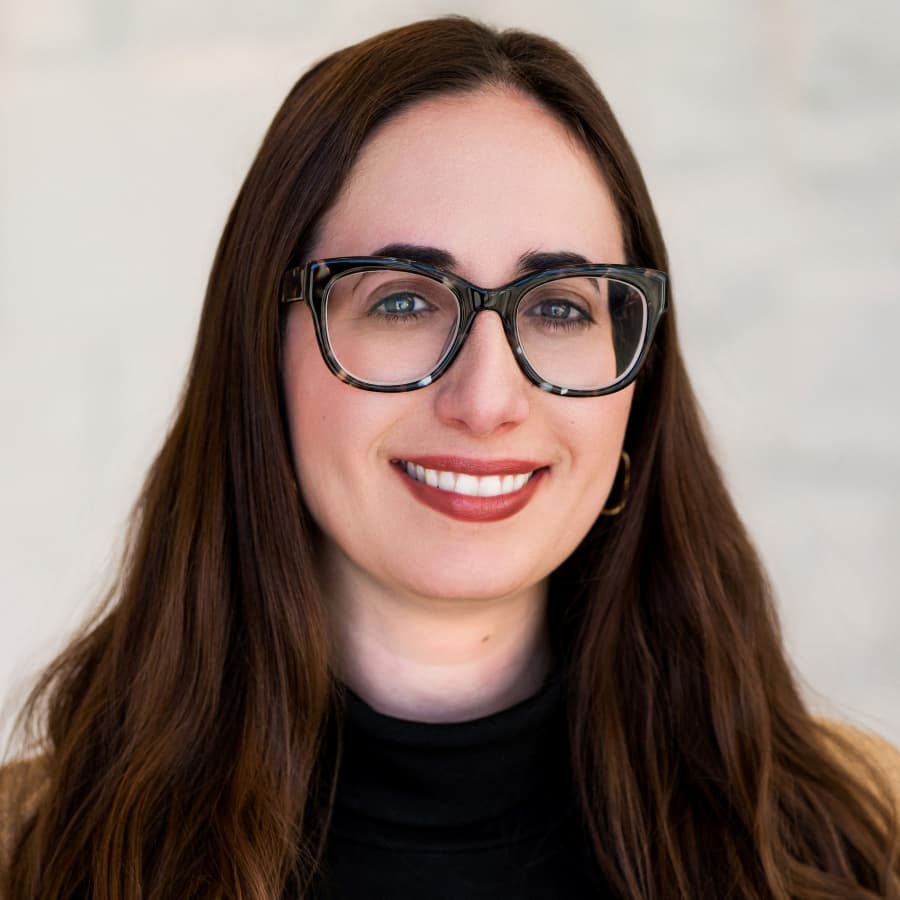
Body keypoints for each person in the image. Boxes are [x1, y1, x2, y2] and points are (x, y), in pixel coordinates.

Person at [1, 15, 898, 900]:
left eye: (558, 308)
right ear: (260, 358)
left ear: (638, 386)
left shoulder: (865, 842)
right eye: (401, 302)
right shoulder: (30, 854)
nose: (487, 401)